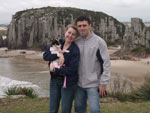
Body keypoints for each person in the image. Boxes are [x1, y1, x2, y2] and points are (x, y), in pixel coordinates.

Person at [74, 16, 111, 113]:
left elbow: (106, 63)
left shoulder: (99, 42)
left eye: (84, 25)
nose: (82, 28)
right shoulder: (76, 42)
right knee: (79, 109)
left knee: (95, 110)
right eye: (79, 26)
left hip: (93, 84)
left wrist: (103, 83)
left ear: (90, 25)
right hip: (78, 84)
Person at [43, 24, 80, 113]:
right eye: (69, 32)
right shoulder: (57, 43)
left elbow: (72, 69)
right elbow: (46, 56)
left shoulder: (75, 50)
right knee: (53, 109)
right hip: (54, 81)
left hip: (68, 83)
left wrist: (56, 70)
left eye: (73, 34)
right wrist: (59, 54)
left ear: (75, 37)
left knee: (65, 110)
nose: (70, 36)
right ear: (65, 32)